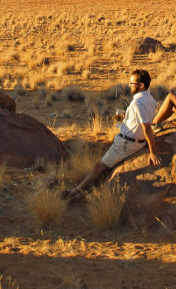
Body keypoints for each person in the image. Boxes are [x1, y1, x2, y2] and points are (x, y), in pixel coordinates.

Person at [67, 69, 161, 200]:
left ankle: (76, 192)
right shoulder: (151, 100)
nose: (129, 85)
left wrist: (153, 152)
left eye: (132, 83)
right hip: (136, 142)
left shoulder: (137, 103)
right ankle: (81, 192)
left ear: (141, 85)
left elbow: (147, 128)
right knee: (106, 167)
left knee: (99, 166)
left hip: (126, 144)